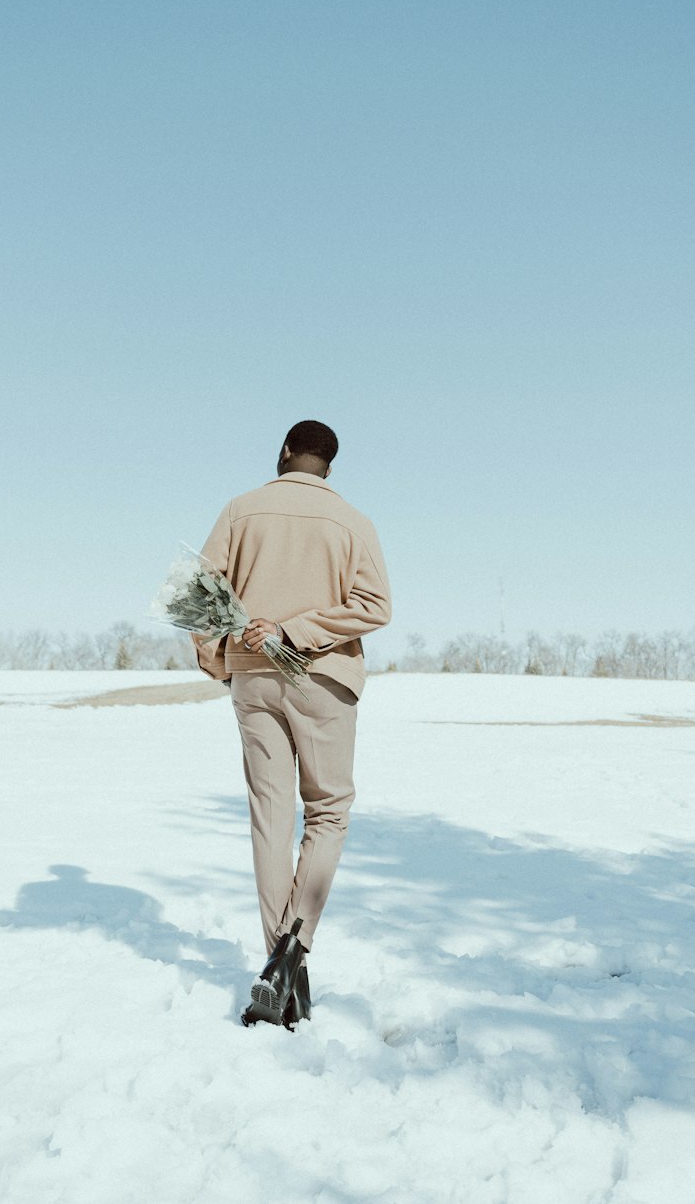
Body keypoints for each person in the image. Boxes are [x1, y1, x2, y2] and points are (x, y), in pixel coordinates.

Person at [193, 420, 391, 1029]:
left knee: (270, 819)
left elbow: (198, 592)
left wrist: (221, 658)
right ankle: (291, 955)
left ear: (284, 452)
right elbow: (375, 608)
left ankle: (279, 966)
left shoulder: (239, 510)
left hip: (253, 678)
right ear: (331, 465)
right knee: (327, 812)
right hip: (324, 678)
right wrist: (299, 633)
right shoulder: (354, 522)